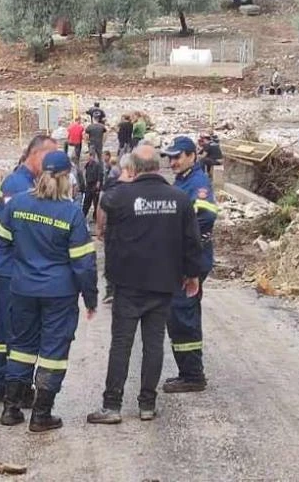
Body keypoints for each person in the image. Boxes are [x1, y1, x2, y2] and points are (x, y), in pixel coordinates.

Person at [87, 145, 203, 425]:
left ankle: (112, 405)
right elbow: (192, 242)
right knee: (154, 344)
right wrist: (192, 275)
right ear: (157, 167)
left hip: (127, 284)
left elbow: (103, 206)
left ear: (135, 168)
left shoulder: (121, 197)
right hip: (163, 283)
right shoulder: (179, 198)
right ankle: (147, 405)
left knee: (122, 344)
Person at [0, 151, 98, 432]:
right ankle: (41, 415)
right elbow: (84, 263)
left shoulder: (17, 204)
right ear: (67, 178)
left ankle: (10, 409)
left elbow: (1, 239)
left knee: (21, 348)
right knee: (53, 351)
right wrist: (90, 298)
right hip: (59, 294)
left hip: (22, 288)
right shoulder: (71, 213)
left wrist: (15, 269)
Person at [0, 135, 58, 404]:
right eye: (49, 160)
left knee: (11, 329)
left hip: (15, 268)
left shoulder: (27, 182)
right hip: (10, 269)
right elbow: (22, 231)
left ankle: (2, 385)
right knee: (10, 330)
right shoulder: (18, 184)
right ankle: (4, 385)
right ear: (36, 155)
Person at [160, 136, 218, 393]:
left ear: (191, 156)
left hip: (190, 258)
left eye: (177, 157)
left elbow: (205, 217)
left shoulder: (197, 182)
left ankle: (193, 375)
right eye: (170, 157)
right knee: (179, 313)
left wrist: (178, 236)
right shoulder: (184, 180)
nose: (172, 161)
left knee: (183, 313)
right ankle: (188, 372)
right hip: (183, 257)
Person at [96, 153, 134, 304]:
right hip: (131, 230)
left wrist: (99, 227)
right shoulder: (140, 185)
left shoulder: (111, 184)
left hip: (113, 230)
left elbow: (101, 206)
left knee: (111, 258)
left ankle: (111, 289)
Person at [82, 150, 103, 220]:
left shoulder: (97, 165)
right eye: (88, 157)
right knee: (86, 202)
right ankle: (83, 215)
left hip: (94, 185)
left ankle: (96, 217)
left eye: (90, 156)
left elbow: (100, 175)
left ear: (93, 157)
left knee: (96, 203)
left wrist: (98, 183)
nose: (89, 158)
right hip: (88, 185)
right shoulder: (87, 165)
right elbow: (85, 174)